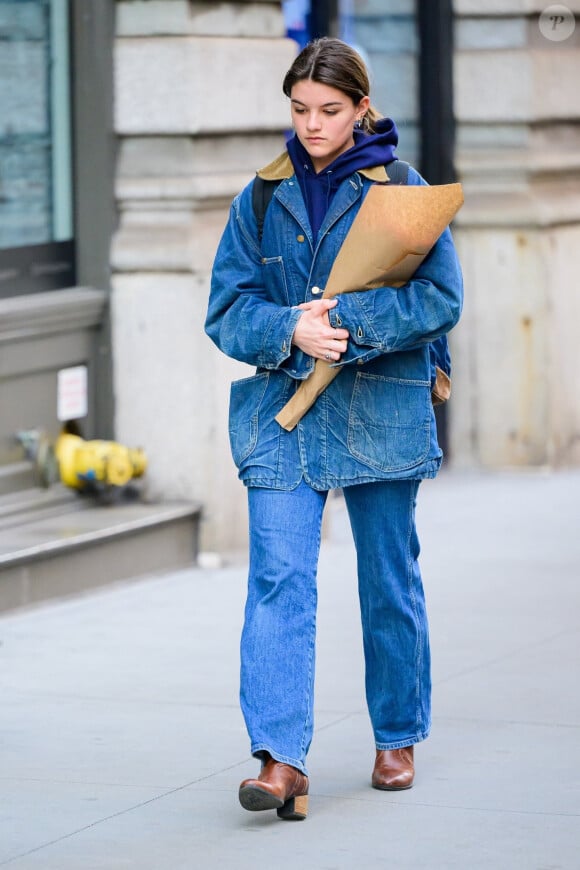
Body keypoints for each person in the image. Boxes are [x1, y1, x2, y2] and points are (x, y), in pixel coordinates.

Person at [205, 36, 463, 821]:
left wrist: (348, 320)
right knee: (280, 581)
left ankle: (396, 733)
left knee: (388, 576)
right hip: (284, 417)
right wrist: (290, 329)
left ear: (360, 109)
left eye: (327, 111)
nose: (311, 125)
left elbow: (439, 301)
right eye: (299, 110)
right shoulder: (260, 196)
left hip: (380, 409)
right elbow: (225, 309)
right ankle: (280, 759)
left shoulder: (404, 190)